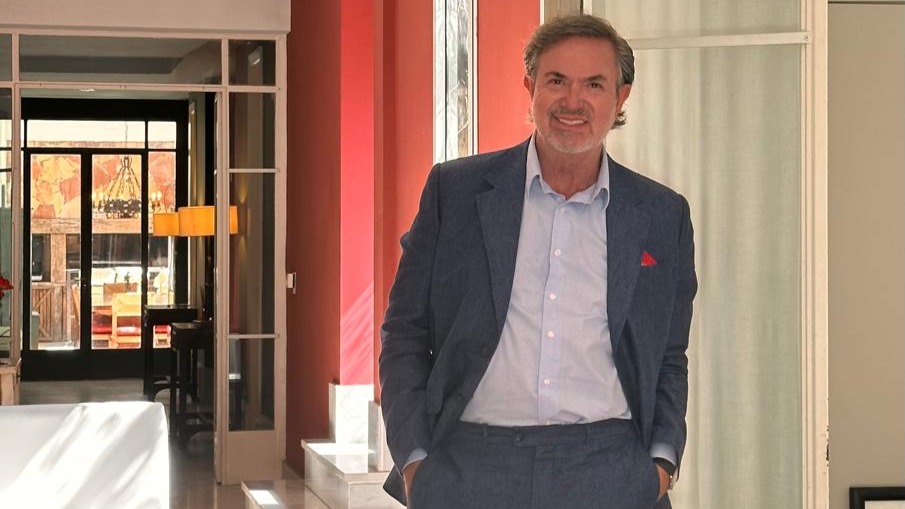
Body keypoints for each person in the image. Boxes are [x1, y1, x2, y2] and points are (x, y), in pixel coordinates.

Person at [379, 14, 696, 509]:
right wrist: (416, 462)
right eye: (556, 80)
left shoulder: (661, 215)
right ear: (530, 87)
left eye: (594, 84)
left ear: (621, 97)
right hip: (470, 468)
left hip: (611, 469)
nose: (573, 100)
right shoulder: (454, 193)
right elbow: (405, 332)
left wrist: (660, 464)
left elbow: (670, 355)